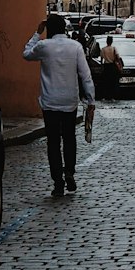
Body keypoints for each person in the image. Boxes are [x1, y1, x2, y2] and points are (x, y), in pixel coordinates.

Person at [23, 14, 96, 197]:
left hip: (50, 101)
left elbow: (26, 54)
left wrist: (36, 33)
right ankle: (69, 171)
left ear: (49, 29)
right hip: (69, 101)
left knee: (53, 142)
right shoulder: (75, 47)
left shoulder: (44, 46)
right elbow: (85, 75)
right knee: (70, 138)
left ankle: (58, 182)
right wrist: (90, 100)